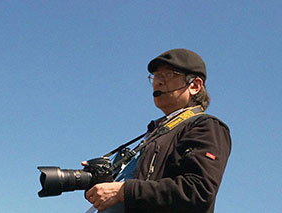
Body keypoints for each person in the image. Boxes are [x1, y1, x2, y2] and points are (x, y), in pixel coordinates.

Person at [85, 48, 231, 213]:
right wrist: (102, 181)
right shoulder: (157, 132)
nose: (157, 82)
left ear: (195, 86)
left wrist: (124, 191)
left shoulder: (206, 126)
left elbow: (199, 191)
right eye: (155, 76)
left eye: (168, 75)